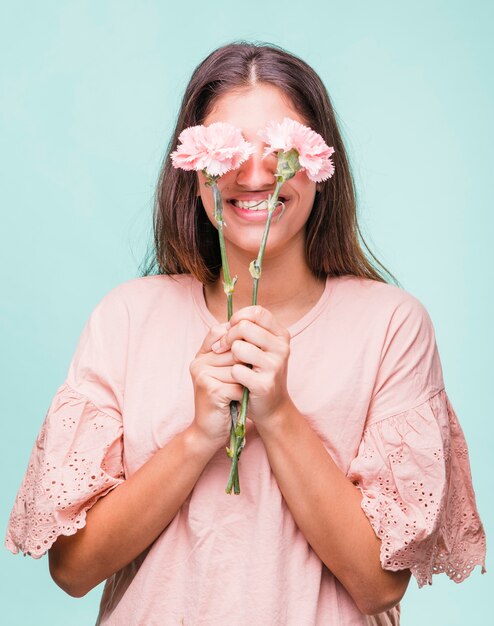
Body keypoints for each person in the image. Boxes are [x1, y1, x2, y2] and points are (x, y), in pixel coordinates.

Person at [5, 42, 486, 625]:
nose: (255, 173)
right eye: (228, 149)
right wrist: (198, 435)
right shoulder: (126, 318)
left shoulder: (392, 325)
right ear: (193, 167)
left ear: (316, 163)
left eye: (280, 149)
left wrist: (279, 414)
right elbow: (73, 571)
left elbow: (380, 585)